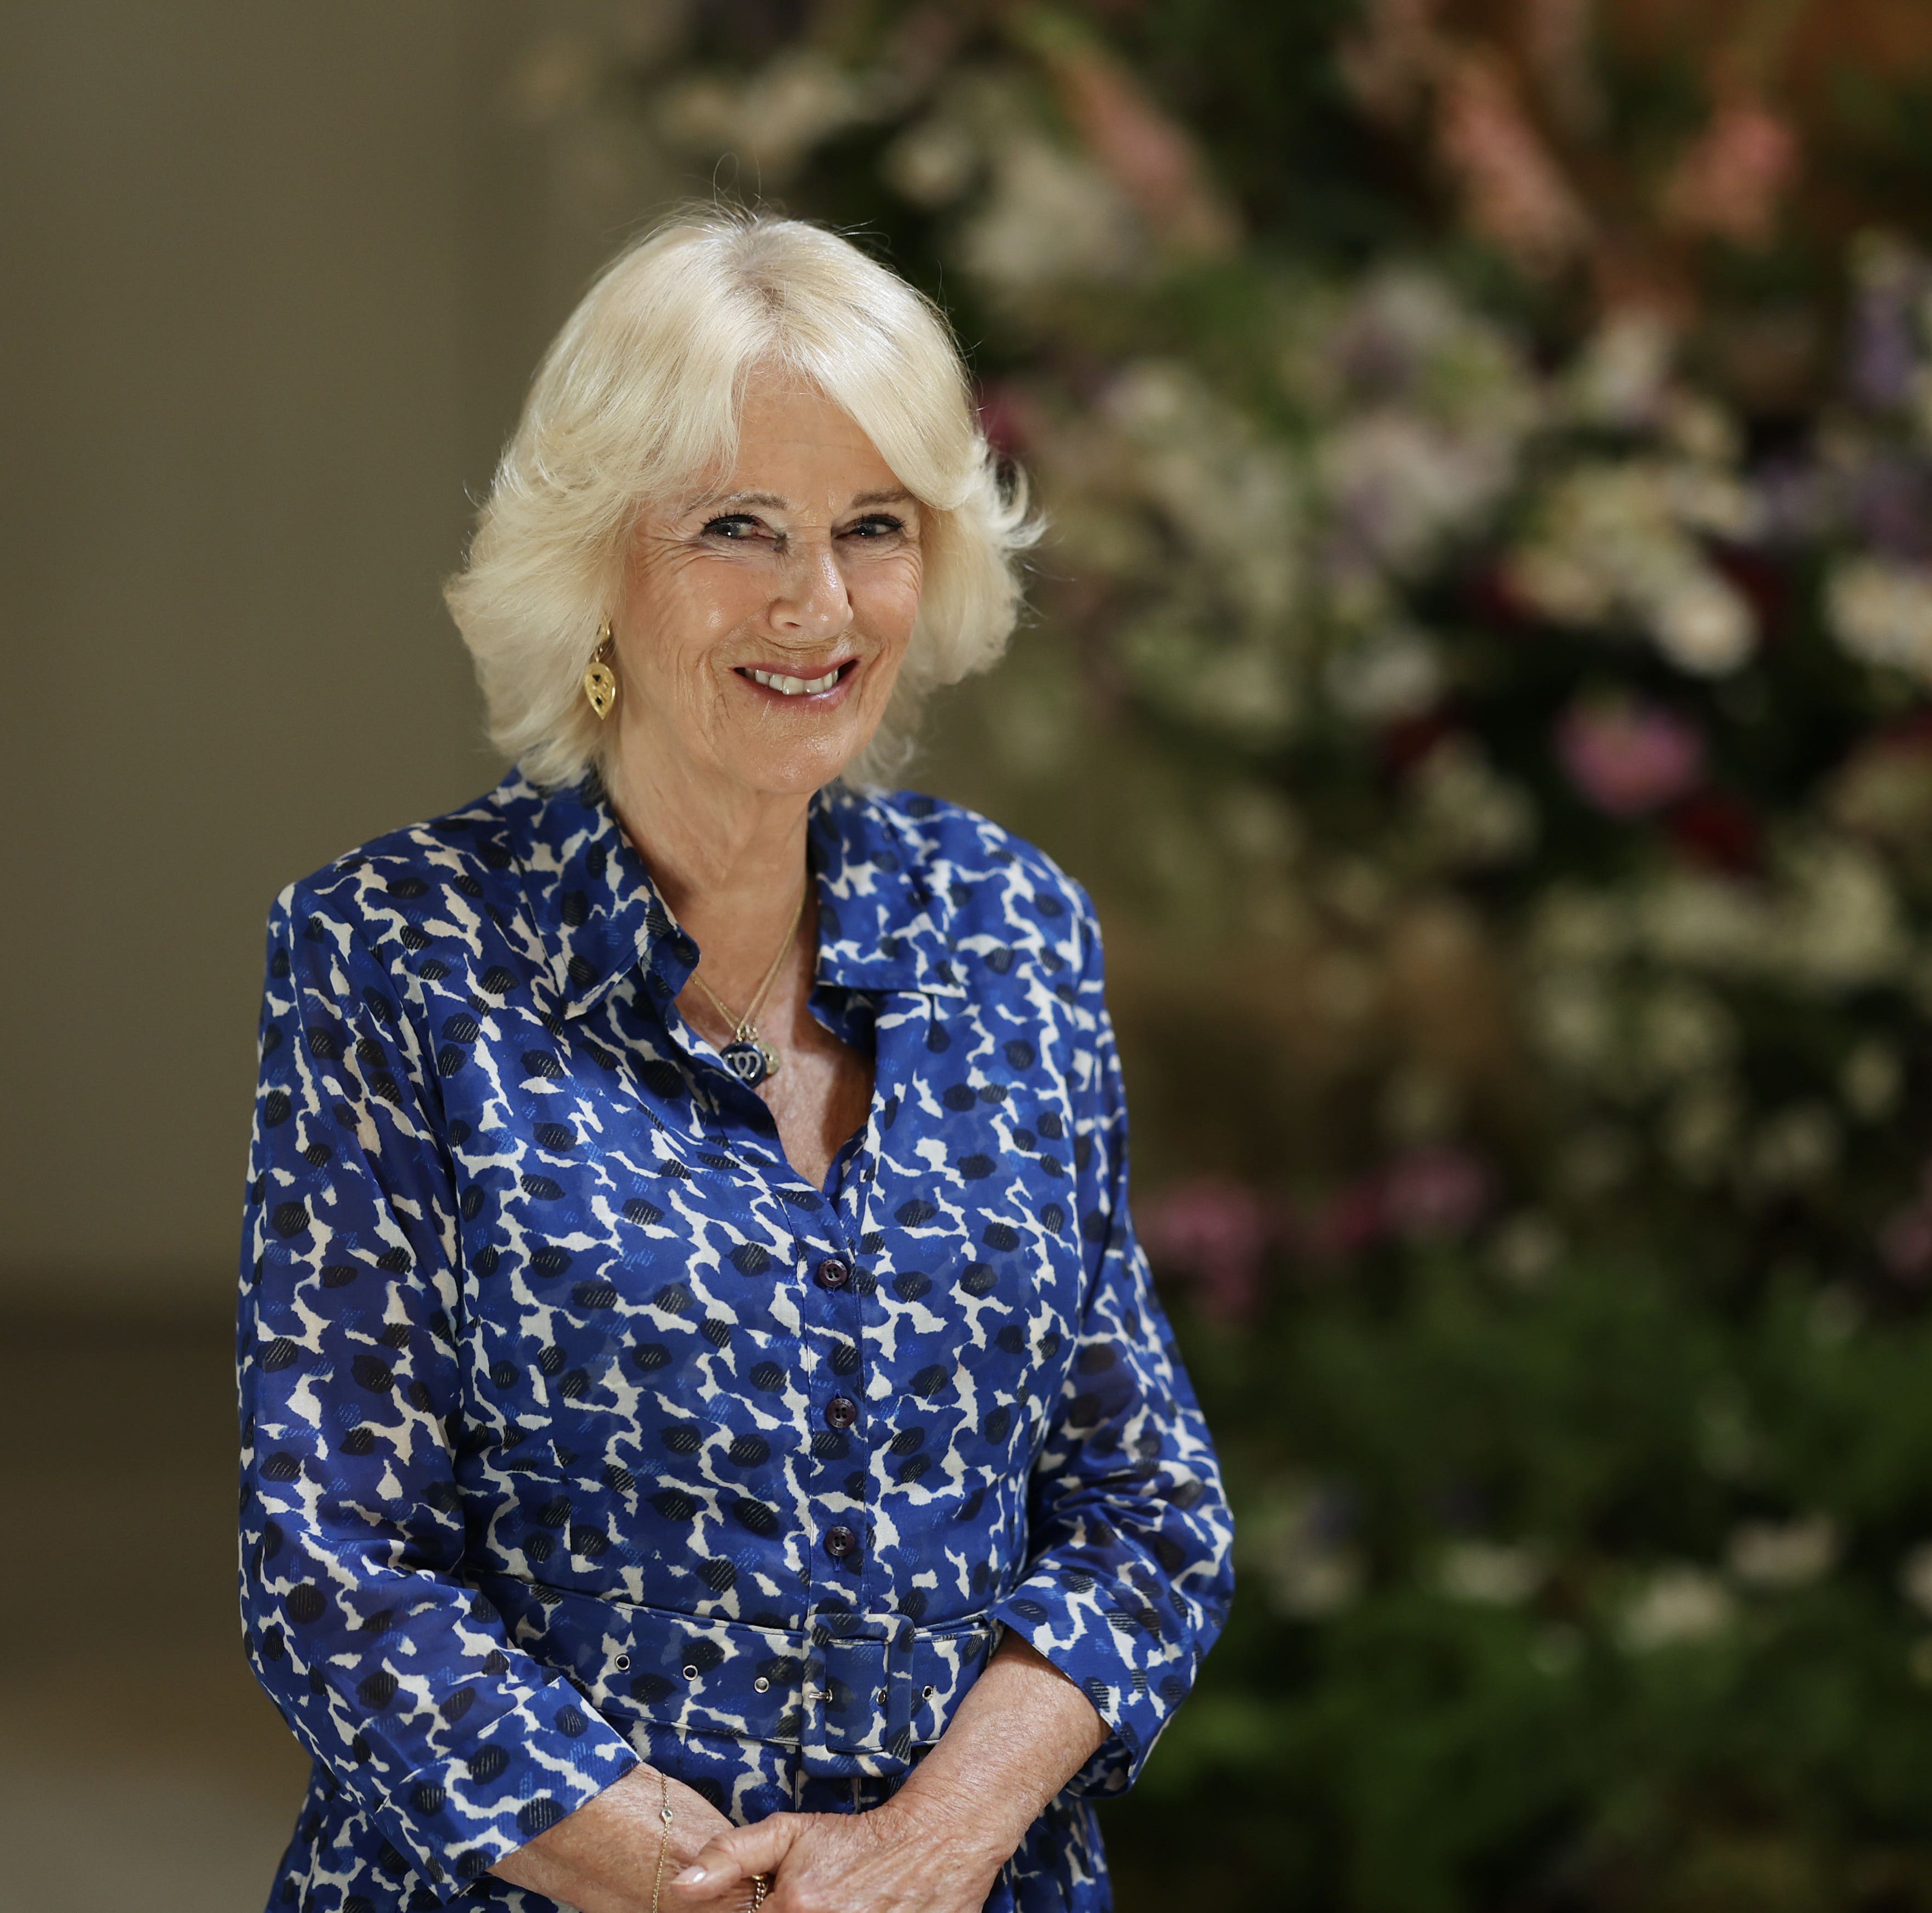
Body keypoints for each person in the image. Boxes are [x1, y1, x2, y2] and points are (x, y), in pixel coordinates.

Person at [236, 207, 1232, 1913]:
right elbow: (333, 1569)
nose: (818, 603)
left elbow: (1144, 1514)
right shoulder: (394, 952)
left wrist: (927, 1846)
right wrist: (715, 1893)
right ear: (598, 561)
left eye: (873, 527)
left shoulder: (1012, 930)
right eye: (736, 528)